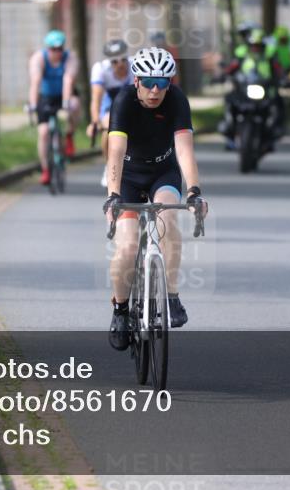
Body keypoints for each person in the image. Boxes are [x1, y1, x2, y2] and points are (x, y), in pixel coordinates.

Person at [102, 47, 207, 350]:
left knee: (169, 220)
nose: (155, 90)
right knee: (128, 246)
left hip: (164, 172)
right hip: (129, 179)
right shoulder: (123, 101)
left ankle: (171, 297)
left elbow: (185, 150)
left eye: (163, 83)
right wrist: (113, 195)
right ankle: (121, 310)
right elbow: (116, 152)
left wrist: (194, 191)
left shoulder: (176, 100)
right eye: (149, 82)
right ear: (136, 81)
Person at [28, 29, 79, 185]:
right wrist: (32, 105)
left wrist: (65, 103)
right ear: (47, 48)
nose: (57, 52)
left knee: (75, 105)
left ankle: (70, 134)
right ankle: (45, 169)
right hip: (45, 96)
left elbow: (68, 79)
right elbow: (35, 82)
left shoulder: (70, 57)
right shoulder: (38, 59)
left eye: (59, 49)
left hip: (64, 93)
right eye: (53, 49)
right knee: (43, 133)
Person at [217, 29, 283, 148]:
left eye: (258, 46)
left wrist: (282, 79)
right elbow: (232, 67)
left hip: (265, 90)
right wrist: (224, 74)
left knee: (277, 102)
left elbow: (278, 71)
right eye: (253, 46)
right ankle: (229, 127)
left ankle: (274, 130)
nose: (255, 48)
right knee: (229, 99)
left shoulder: (269, 57)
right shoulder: (243, 56)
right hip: (244, 90)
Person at [87, 39, 133, 187]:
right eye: (114, 61)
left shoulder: (135, 66)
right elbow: (96, 99)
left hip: (132, 102)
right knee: (108, 127)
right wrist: (95, 122)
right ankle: (110, 165)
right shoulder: (100, 69)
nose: (119, 64)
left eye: (123, 59)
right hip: (110, 104)